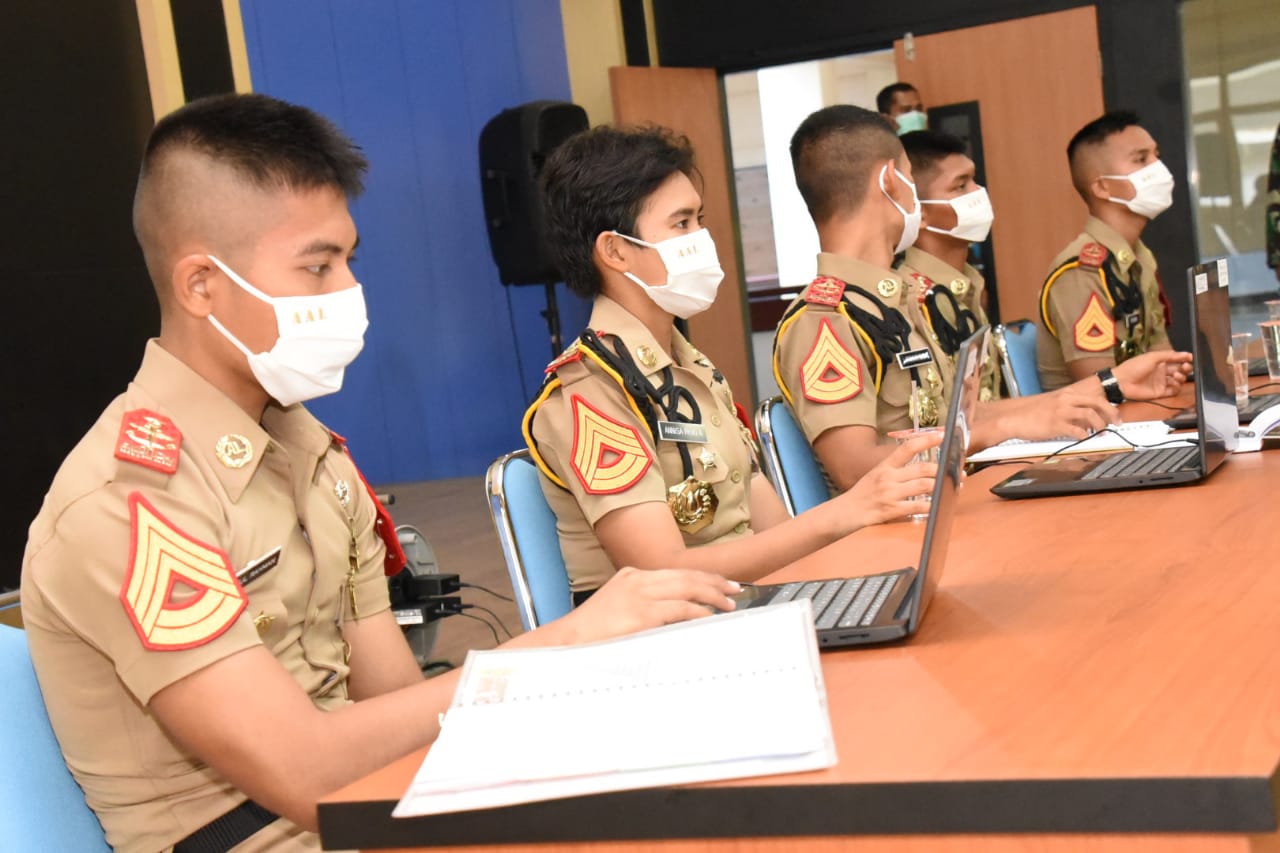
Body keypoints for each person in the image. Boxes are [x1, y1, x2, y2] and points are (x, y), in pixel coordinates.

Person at [19, 94, 743, 853]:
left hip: (378, 804)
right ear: (202, 285)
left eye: (349, 261)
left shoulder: (311, 456)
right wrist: (560, 647)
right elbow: (303, 771)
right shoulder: (130, 501)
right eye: (317, 266)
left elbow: (402, 702)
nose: (348, 292)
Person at [523, 125, 939, 601]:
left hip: (751, 606)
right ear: (616, 251)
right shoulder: (591, 391)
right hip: (676, 630)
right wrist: (844, 513)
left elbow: (776, 535)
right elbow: (662, 571)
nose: (702, 238)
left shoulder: (690, 369)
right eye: (681, 224)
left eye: (699, 219)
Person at [771, 105, 1191, 492]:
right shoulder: (825, 319)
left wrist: (1109, 383)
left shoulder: (897, 301)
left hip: (952, 502)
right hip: (907, 529)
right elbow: (855, 469)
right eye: (910, 179)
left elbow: (962, 417)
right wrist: (994, 431)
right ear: (890, 182)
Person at [1037, 111, 1175, 391]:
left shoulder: (1140, 258)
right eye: (1141, 159)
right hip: (1098, 416)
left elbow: (1164, 360)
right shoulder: (1081, 271)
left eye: (1156, 155)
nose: (1158, 167)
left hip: (1144, 407)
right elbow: (1101, 387)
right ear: (1102, 186)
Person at [895, 129, 1003, 401]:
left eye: (974, 180)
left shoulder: (966, 285)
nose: (978, 193)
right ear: (920, 213)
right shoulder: (911, 301)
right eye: (960, 186)